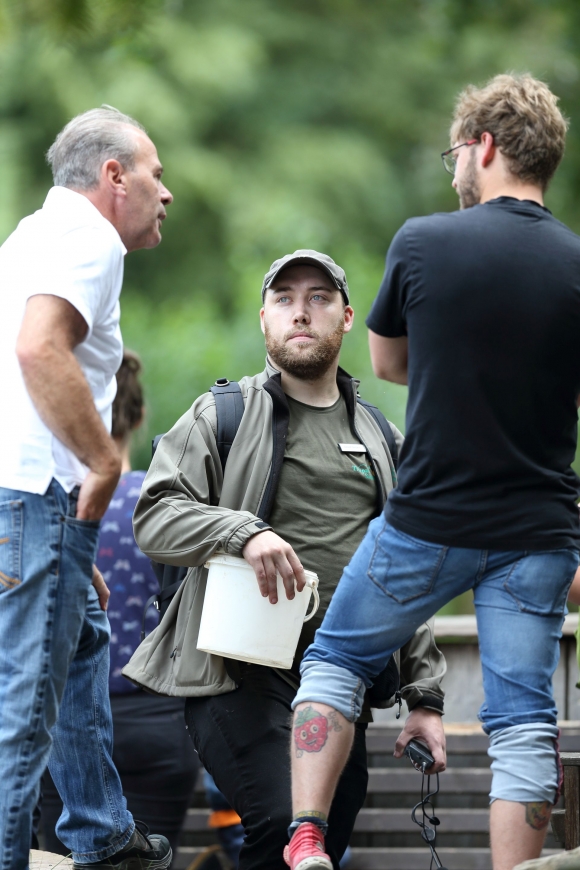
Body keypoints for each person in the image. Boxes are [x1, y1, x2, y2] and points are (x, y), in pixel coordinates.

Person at [285, 74, 580, 870]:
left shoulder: (422, 242)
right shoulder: (577, 262)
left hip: (429, 522)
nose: (455, 171)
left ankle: (307, 836)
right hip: (539, 531)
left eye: (456, 154)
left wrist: (460, 364)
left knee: (336, 661)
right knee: (523, 719)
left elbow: (388, 362)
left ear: (483, 146)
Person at [125, 249, 447, 870]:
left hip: (341, 679)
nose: (301, 312)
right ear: (264, 319)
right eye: (285, 299)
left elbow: (407, 571)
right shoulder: (221, 414)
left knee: (322, 843)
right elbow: (155, 515)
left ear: (347, 317)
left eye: (319, 298)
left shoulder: (382, 439)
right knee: (284, 821)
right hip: (238, 672)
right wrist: (242, 532)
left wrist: (425, 698)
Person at [0, 107, 173, 870]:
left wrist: (72, 547)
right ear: (114, 176)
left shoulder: (28, 237)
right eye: (155, 174)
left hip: (25, 497)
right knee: (22, 712)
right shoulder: (88, 236)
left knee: (82, 644)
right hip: (33, 498)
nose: (165, 192)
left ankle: (102, 832)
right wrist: (102, 465)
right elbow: (39, 350)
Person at [39, 351, 199, 860]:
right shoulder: (166, 506)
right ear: (138, 415)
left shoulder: (50, 512)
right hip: (160, 723)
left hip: (63, 729)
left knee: (66, 860)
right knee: (143, 863)